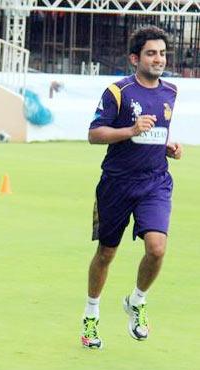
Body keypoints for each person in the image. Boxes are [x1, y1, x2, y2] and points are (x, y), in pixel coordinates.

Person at [81, 26, 182, 349]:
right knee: (106, 253)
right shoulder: (117, 92)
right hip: (116, 184)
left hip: (155, 182)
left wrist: (168, 145)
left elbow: (155, 132)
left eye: (163, 53)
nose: (159, 59)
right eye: (151, 53)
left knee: (156, 248)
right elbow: (94, 134)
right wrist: (130, 129)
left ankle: (137, 301)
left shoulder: (171, 92)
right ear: (134, 58)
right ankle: (91, 315)